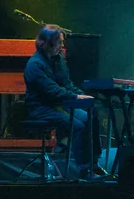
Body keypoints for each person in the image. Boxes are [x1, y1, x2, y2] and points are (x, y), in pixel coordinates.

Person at [23, 24, 96, 177]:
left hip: (58, 105)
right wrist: (75, 98)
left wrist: (83, 97)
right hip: (41, 108)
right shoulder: (35, 65)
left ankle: (93, 164)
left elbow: (67, 84)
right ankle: (82, 170)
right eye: (59, 42)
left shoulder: (58, 60)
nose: (62, 46)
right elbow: (51, 91)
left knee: (90, 117)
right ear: (47, 43)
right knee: (77, 126)